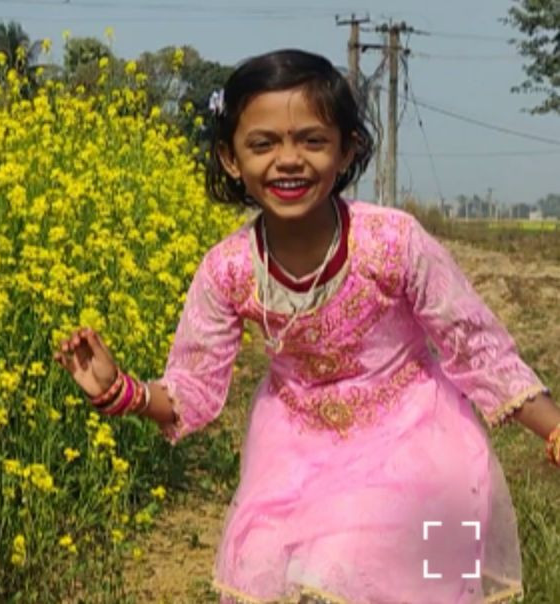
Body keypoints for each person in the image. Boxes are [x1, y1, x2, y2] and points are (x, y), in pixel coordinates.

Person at [52, 49, 560, 604]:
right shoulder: (228, 270)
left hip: (419, 439)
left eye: (312, 141)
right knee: (273, 568)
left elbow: (476, 346)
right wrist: (121, 391)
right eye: (263, 144)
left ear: (348, 149)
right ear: (230, 159)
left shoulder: (394, 242)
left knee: (370, 571)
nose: (288, 161)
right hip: (294, 456)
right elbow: (192, 390)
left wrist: (554, 429)